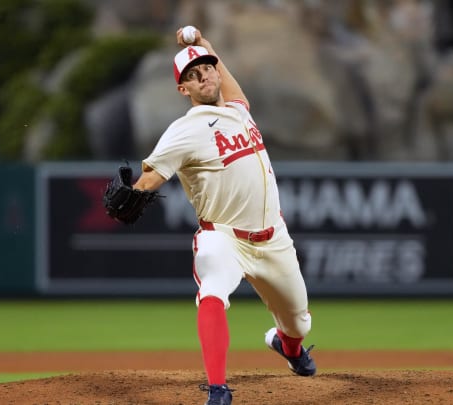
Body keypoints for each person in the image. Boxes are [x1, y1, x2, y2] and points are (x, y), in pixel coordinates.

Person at [130, 28, 316, 405]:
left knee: (298, 322)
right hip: (224, 237)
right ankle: (217, 389)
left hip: (274, 238)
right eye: (193, 76)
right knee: (212, 290)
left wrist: (210, 51)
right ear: (183, 89)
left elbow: (236, 92)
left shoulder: (237, 111)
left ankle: (289, 347)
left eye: (208, 70)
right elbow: (152, 175)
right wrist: (132, 192)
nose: (205, 77)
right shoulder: (183, 130)